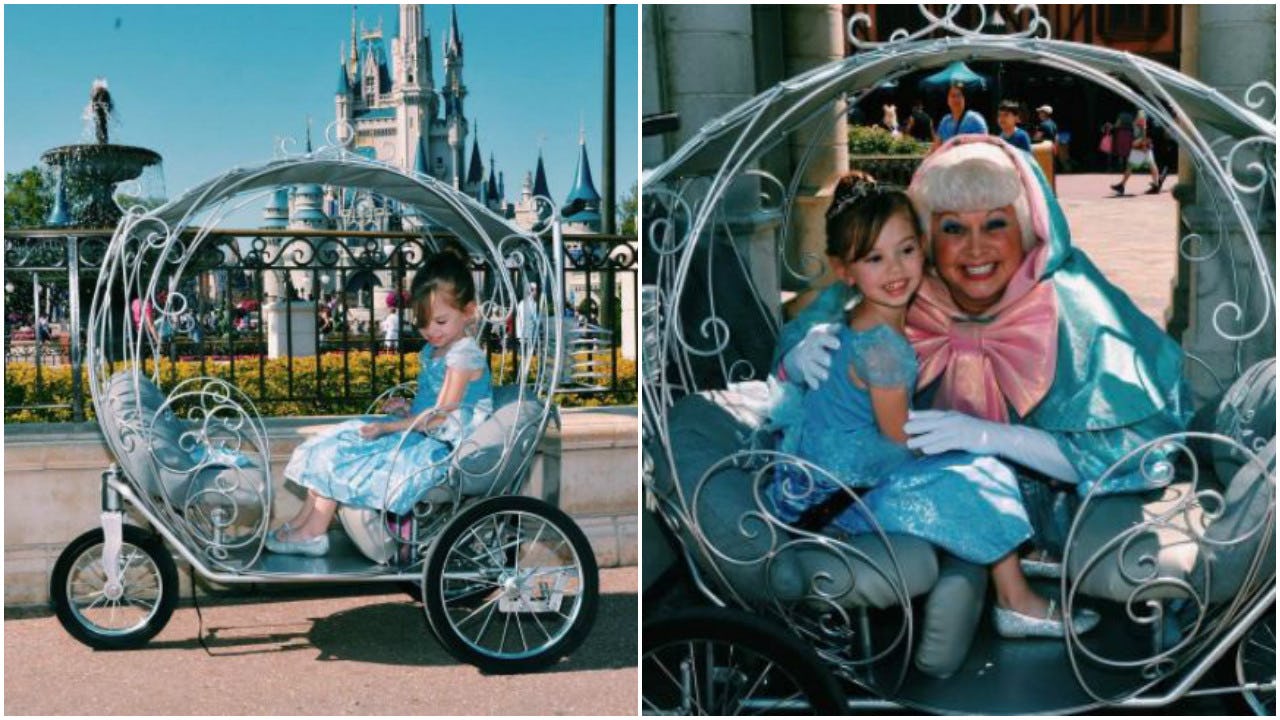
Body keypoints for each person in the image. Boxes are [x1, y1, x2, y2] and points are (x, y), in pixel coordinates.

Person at [778, 136, 1189, 580]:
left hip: (1059, 536)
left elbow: (1125, 455)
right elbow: (801, 389)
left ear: (1029, 229)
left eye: (995, 224)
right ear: (927, 239)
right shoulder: (898, 289)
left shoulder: (1077, 309)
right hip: (925, 515)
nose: (975, 249)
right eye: (953, 228)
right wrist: (795, 363)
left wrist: (990, 436)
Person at [769, 176, 1095, 638]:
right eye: (875, 258)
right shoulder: (885, 349)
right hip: (845, 493)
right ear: (845, 271)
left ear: (922, 247)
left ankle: (1012, 575)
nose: (895, 269)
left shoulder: (858, 318)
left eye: (905, 250)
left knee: (973, 465)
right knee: (975, 476)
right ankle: (1016, 600)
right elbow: (898, 439)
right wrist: (957, 458)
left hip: (825, 474)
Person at [268, 246, 494, 556]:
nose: (431, 331)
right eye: (423, 323)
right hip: (421, 431)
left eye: (440, 322)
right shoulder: (439, 350)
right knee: (335, 443)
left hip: (440, 446)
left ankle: (313, 531)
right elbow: (430, 403)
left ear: (468, 312)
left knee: (349, 453)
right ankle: (305, 522)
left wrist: (388, 429)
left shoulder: (463, 354)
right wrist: (406, 408)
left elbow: (441, 417)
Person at [1111, 109, 1163, 195]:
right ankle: (1156, 185)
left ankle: (1122, 186)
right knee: (1151, 164)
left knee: (1131, 166)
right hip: (1143, 146)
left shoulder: (1141, 117)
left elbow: (1143, 133)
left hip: (1140, 147)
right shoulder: (1140, 117)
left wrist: (1138, 142)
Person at [934, 82, 987, 147]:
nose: (956, 99)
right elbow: (936, 148)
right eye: (953, 96)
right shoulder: (945, 121)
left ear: (964, 99)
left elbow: (984, 147)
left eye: (959, 95)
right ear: (947, 100)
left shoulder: (975, 120)